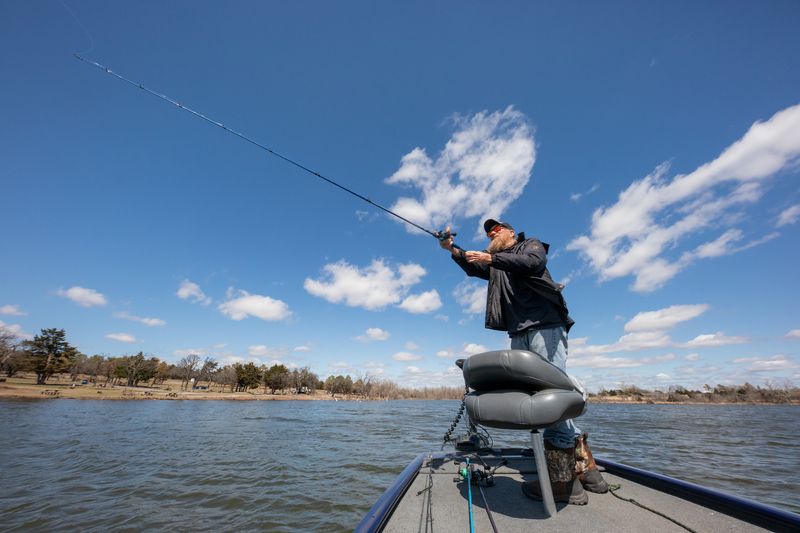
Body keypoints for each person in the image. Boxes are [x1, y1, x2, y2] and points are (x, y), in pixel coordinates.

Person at [439, 219, 607, 505]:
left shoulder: (531, 245)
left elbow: (531, 263)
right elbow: (473, 265)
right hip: (518, 332)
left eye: (497, 230)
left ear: (511, 233)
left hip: (545, 325)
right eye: (488, 233)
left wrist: (491, 257)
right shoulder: (496, 264)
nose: (492, 233)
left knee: (552, 396)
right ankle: (588, 471)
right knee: (536, 395)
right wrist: (451, 248)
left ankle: (561, 485)